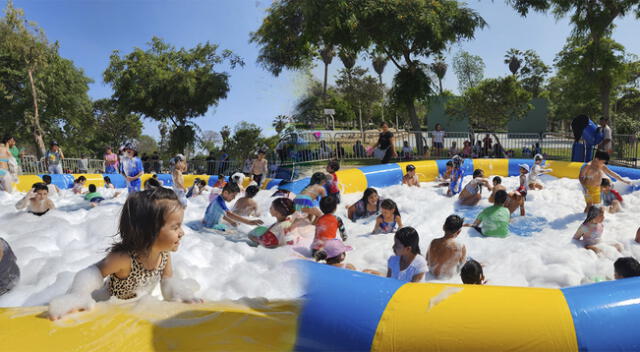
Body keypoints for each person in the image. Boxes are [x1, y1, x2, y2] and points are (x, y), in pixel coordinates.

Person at [47, 188, 202, 320]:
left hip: (138, 306)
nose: (182, 232)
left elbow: (168, 280)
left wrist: (178, 292)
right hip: (107, 304)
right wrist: (78, 295)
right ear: (149, 231)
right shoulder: (125, 258)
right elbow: (92, 271)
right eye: (175, 227)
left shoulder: (164, 255)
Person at [426, 215, 467, 279]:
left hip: (431, 276)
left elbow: (427, 261)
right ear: (458, 232)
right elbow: (463, 266)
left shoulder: (433, 242)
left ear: (443, 227)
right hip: (448, 279)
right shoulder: (460, 246)